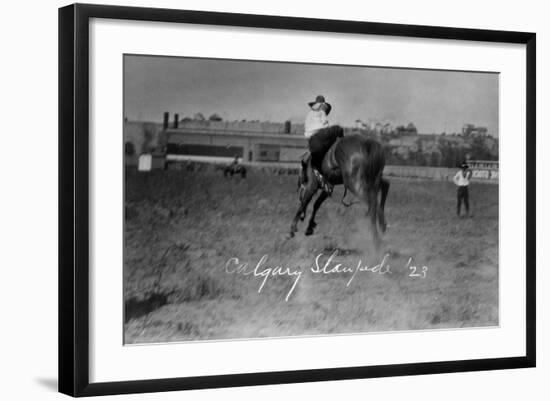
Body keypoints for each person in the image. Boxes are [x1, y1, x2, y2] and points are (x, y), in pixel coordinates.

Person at [300, 95, 344, 188]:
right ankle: (343, 151)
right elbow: (325, 125)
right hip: (321, 134)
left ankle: (307, 175)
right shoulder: (322, 111)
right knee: (338, 128)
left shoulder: (309, 114)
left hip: (312, 141)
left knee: (315, 160)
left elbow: (307, 131)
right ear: (322, 104)